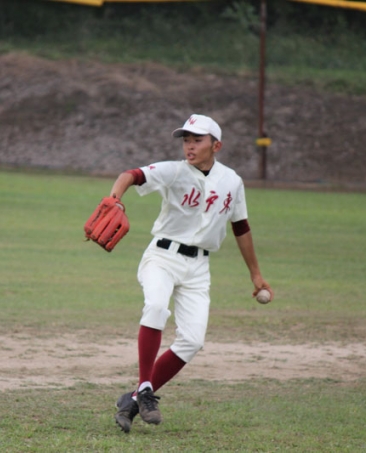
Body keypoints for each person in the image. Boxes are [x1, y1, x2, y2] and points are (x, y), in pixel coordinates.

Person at [107, 114, 273, 433]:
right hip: (162, 257)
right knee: (156, 307)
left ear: (216, 146)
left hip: (199, 267)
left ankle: (133, 399)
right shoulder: (174, 171)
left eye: (197, 140)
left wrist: (256, 274)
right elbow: (131, 175)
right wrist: (114, 199)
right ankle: (145, 388)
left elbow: (241, 227)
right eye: (186, 140)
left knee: (193, 341)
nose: (189, 146)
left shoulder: (232, 181)